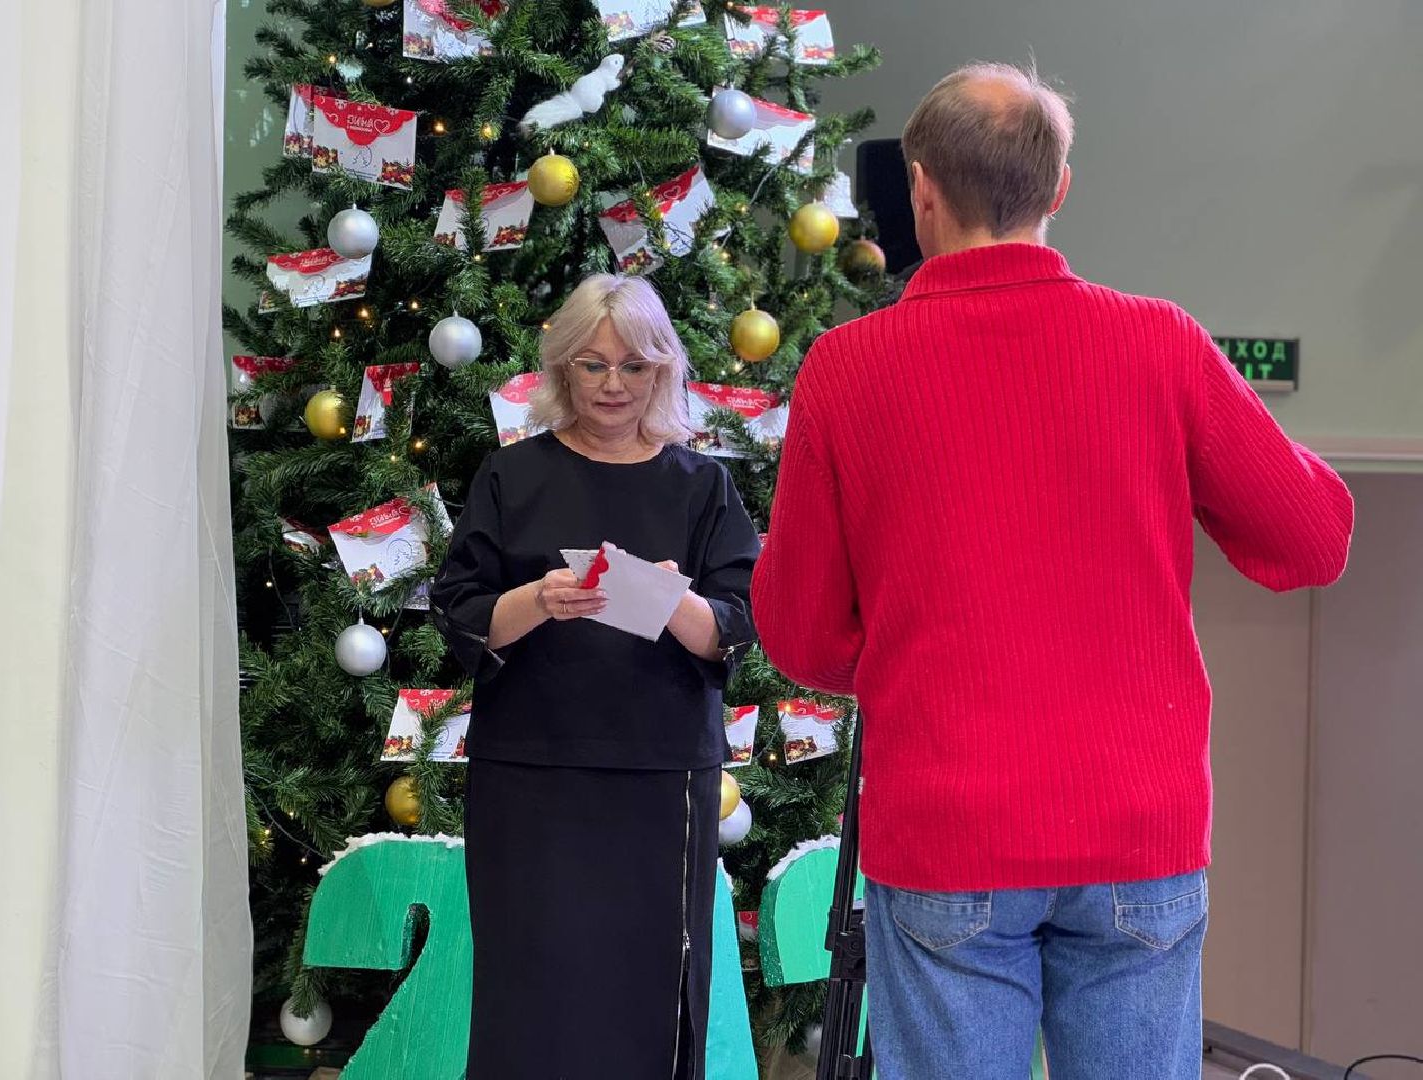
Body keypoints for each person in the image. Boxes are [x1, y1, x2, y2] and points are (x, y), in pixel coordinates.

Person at [752, 62, 1354, 1079]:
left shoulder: (848, 367)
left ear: (921, 189)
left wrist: (927, 660)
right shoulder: (1158, 343)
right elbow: (1313, 540)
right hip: (1138, 827)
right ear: (1059, 189)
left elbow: (801, 633)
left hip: (946, 829)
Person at [431, 274, 760, 1079]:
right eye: (592, 364)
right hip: (531, 774)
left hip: (659, 779)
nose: (613, 385)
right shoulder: (511, 476)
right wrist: (540, 598)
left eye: (634, 366)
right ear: (560, 371)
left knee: (647, 995)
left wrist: (669, 599)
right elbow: (459, 611)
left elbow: (739, 626)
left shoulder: (703, 485)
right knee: (530, 992)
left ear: (663, 372)